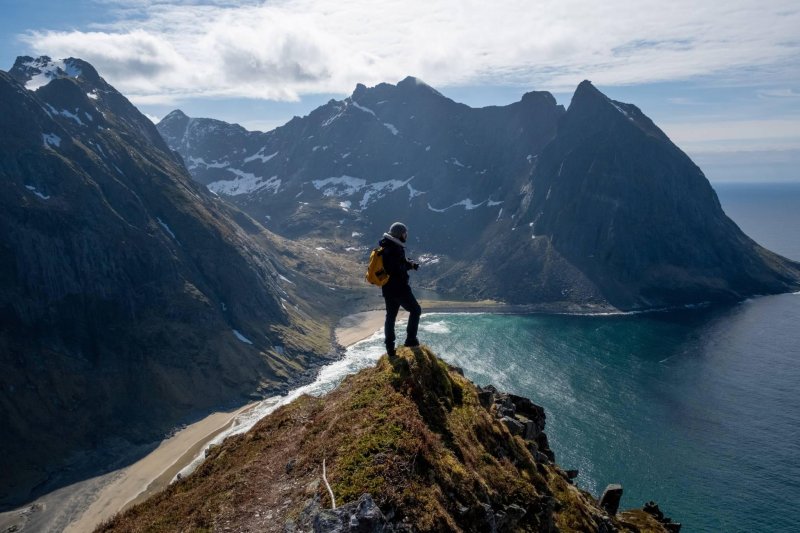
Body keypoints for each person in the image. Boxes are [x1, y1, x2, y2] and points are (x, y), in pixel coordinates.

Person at [379, 222, 421, 357]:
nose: (406, 235)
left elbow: (397, 264)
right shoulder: (395, 249)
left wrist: (409, 263)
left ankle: (390, 349)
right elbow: (397, 269)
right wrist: (409, 266)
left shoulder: (387, 246)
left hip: (387, 289)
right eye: (404, 233)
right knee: (415, 310)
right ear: (399, 234)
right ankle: (411, 340)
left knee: (390, 317)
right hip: (399, 288)